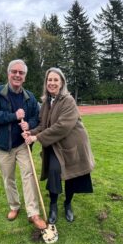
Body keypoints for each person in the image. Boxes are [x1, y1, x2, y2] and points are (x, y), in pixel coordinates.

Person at [23, 67, 95, 224]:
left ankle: (68, 204)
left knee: (71, 176)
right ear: (46, 83)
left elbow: (62, 126)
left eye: (56, 80)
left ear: (62, 83)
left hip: (72, 144)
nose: (52, 83)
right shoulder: (46, 102)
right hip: (55, 144)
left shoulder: (68, 101)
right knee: (55, 171)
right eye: (49, 80)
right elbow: (43, 125)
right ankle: (53, 206)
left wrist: (37, 137)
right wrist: (31, 132)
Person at [0, 59, 46, 230]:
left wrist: (29, 125)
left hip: (22, 145)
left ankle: (33, 213)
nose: (17, 75)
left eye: (21, 73)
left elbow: (36, 117)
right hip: (2, 146)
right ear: (8, 73)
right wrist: (14, 116)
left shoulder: (29, 97)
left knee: (29, 175)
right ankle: (14, 206)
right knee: (8, 178)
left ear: (24, 77)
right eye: (15, 72)